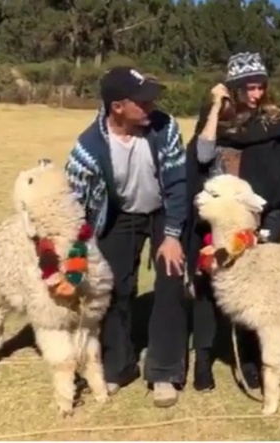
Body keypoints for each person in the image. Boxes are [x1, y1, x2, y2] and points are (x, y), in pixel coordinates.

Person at [64, 66, 188, 407]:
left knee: (170, 280)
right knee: (115, 287)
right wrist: (78, 249)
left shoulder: (166, 128)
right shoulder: (87, 149)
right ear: (118, 106)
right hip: (119, 216)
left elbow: (178, 184)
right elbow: (75, 205)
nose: (152, 106)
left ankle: (164, 372)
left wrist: (173, 235)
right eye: (143, 101)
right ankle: (119, 366)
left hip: (163, 211)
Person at [184, 51, 280, 392]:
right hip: (219, 218)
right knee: (209, 284)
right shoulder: (218, 116)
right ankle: (203, 358)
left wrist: (272, 218)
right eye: (249, 87)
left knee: (255, 289)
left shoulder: (274, 119)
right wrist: (216, 108)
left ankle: (249, 359)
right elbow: (203, 155)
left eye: (261, 86)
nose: (257, 94)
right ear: (233, 88)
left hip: (263, 217)